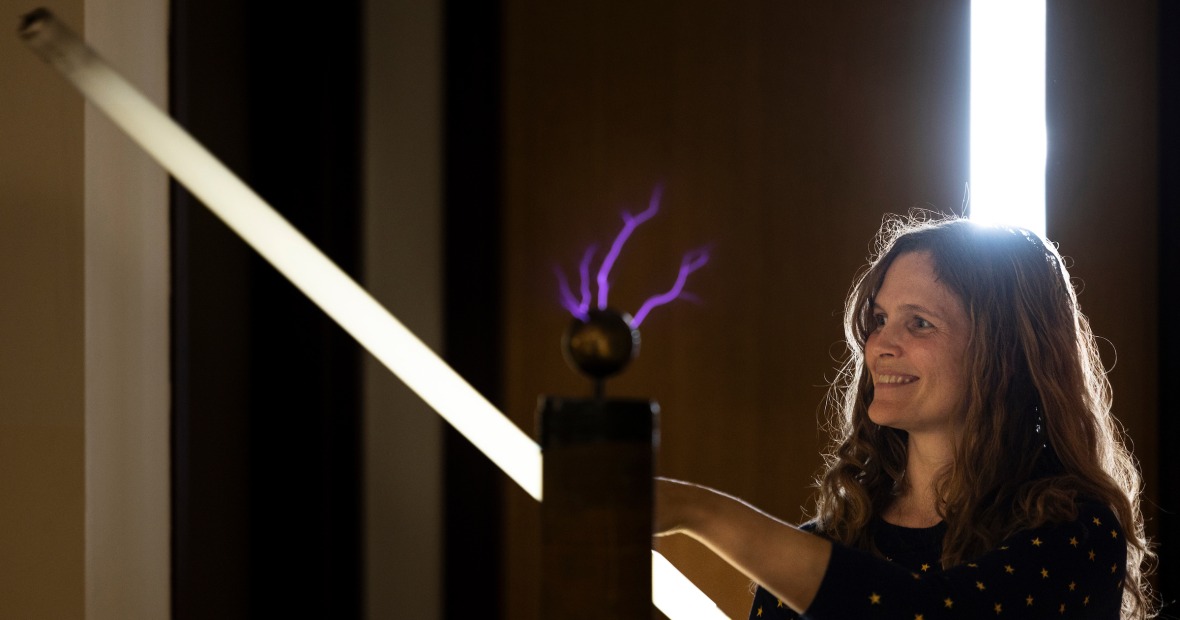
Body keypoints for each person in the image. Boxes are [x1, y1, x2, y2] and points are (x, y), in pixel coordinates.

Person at [656, 214, 1155, 619]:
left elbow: (928, 613)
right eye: (879, 320)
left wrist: (696, 510)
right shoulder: (823, 546)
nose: (880, 346)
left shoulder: (1074, 532)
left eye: (919, 323)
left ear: (1007, 353)